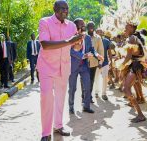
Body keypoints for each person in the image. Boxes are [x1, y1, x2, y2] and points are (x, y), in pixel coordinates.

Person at [37, 1, 83, 140]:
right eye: (62, 8)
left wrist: (78, 43)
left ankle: (58, 125)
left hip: (64, 67)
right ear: (55, 9)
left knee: (60, 98)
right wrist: (70, 41)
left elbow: (75, 47)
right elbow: (45, 44)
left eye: (67, 8)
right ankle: (45, 133)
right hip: (46, 66)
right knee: (46, 97)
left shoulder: (72, 25)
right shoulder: (45, 22)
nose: (65, 10)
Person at [69, 18, 100, 114]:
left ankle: (86, 106)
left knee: (88, 86)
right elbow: (69, 51)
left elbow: (91, 49)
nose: (84, 25)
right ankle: (71, 106)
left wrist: (97, 55)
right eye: (82, 24)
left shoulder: (87, 38)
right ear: (76, 26)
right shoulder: (71, 37)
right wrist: (82, 56)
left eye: (84, 24)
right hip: (73, 66)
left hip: (85, 66)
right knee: (73, 88)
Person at [120, 23, 146, 122]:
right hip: (136, 65)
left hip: (136, 66)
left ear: (131, 27)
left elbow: (129, 56)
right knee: (126, 89)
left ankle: (140, 114)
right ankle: (139, 113)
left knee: (126, 89)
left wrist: (121, 65)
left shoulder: (132, 38)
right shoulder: (135, 37)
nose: (124, 28)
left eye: (126, 26)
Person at [84, 21, 104, 103]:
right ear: (87, 27)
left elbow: (101, 50)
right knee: (84, 80)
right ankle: (84, 96)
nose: (91, 28)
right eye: (89, 26)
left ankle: (89, 97)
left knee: (91, 80)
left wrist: (100, 63)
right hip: (84, 62)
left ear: (94, 27)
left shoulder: (98, 38)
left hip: (94, 63)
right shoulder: (83, 36)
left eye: (92, 26)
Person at [95, 29, 113, 100]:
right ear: (96, 33)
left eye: (101, 32)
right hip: (96, 63)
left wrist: (111, 62)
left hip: (105, 62)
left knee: (105, 78)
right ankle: (96, 92)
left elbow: (109, 52)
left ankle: (104, 93)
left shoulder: (106, 41)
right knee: (96, 78)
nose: (99, 33)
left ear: (103, 33)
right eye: (98, 32)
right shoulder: (94, 40)